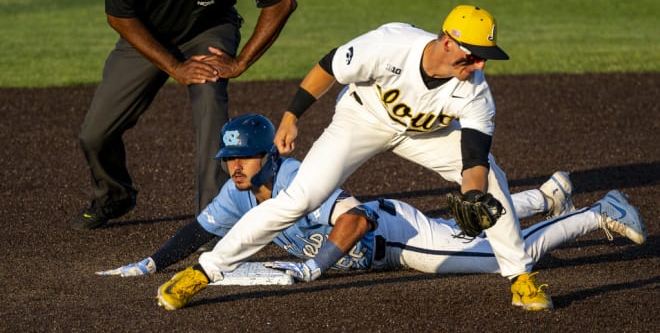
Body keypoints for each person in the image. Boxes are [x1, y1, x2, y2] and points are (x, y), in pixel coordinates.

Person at [157, 4, 565, 310]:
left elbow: (473, 157)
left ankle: (520, 277)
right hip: (362, 119)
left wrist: (473, 194)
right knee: (298, 200)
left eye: (483, 57)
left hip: (425, 136)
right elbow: (328, 66)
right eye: (471, 54)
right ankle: (202, 272)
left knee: (492, 178)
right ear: (446, 40)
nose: (478, 64)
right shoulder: (390, 45)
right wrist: (290, 117)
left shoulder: (476, 91)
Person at [94, 115, 647, 312]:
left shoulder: (295, 179)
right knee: (471, 227)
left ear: (269, 155)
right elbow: (202, 228)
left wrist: (316, 267)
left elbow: (354, 222)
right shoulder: (238, 191)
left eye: (243, 158)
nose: (234, 167)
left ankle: (599, 213)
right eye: (228, 158)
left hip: (396, 237)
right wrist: (153, 262)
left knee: (505, 257)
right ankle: (544, 197)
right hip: (394, 230)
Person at [71, 0, 297, 230]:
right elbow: (119, 17)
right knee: (95, 133)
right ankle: (113, 195)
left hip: (208, 31)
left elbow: (280, 1)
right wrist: (175, 67)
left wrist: (241, 62)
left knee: (209, 103)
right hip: (147, 37)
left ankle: (212, 218)